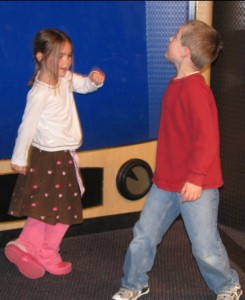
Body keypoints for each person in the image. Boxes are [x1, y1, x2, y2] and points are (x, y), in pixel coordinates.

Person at [112, 20, 243, 300]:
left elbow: (207, 140)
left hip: (198, 185)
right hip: (167, 182)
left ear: (184, 51)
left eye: (176, 36)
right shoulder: (176, 85)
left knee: (205, 246)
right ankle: (134, 284)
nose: (169, 38)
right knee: (144, 234)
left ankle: (227, 285)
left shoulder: (196, 90)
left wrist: (195, 178)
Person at [5, 28, 105, 279]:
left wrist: (94, 80)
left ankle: (26, 243)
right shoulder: (39, 93)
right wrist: (18, 158)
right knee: (66, 209)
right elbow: (26, 126)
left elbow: (83, 85)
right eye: (59, 56)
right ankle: (48, 253)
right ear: (41, 57)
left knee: (45, 207)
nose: (66, 62)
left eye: (69, 56)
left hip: (58, 156)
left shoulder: (65, 80)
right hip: (51, 157)